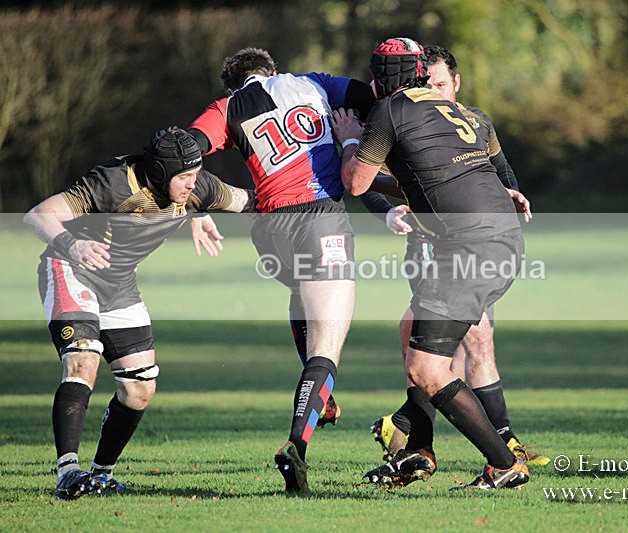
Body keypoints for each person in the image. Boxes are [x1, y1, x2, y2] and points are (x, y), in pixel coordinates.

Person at [332, 37, 532, 490]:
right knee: (421, 347)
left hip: (466, 251)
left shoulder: (390, 111)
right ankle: (417, 445)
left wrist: (347, 141)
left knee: (427, 368)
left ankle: (502, 461)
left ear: (378, 79)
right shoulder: (463, 113)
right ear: (423, 73)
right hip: (501, 244)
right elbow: (447, 177)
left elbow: (357, 183)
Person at [24, 127, 256, 500]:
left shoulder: (198, 186)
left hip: (119, 284)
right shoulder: (111, 183)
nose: (193, 185)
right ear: (160, 173)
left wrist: (313, 202)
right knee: (83, 360)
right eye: (184, 178)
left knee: (140, 389)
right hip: (71, 268)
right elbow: (38, 215)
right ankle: (68, 473)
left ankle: (101, 474)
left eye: (196, 176)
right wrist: (73, 242)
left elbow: (251, 200)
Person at [186, 47, 374, 492]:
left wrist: (193, 206)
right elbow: (370, 97)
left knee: (302, 295)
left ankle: (320, 398)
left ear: (233, 84)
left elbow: (182, 149)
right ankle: (296, 445)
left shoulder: (228, 107)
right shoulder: (312, 83)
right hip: (321, 217)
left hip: (270, 229)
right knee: (327, 347)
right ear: (271, 71)